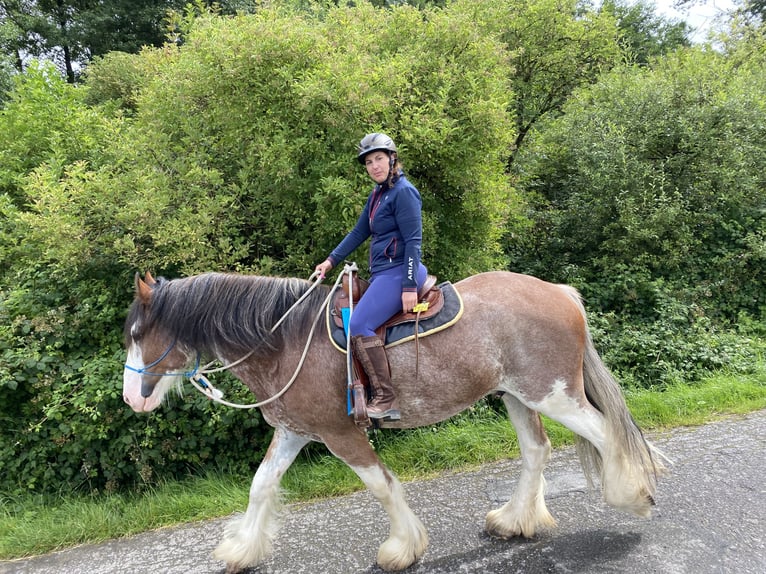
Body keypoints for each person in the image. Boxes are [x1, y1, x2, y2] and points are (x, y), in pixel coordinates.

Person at [315, 133, 428, 420]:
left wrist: (408, 285)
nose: (374, 166)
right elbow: (358, 232)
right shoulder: (377, 195)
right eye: (368, 162)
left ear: (392, 159)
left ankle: (386, 398)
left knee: (360, 324)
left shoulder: (404, 192)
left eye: (379, 158)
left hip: (400, 272)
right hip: (383, 274)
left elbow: (413, 241)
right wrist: (330, 261)